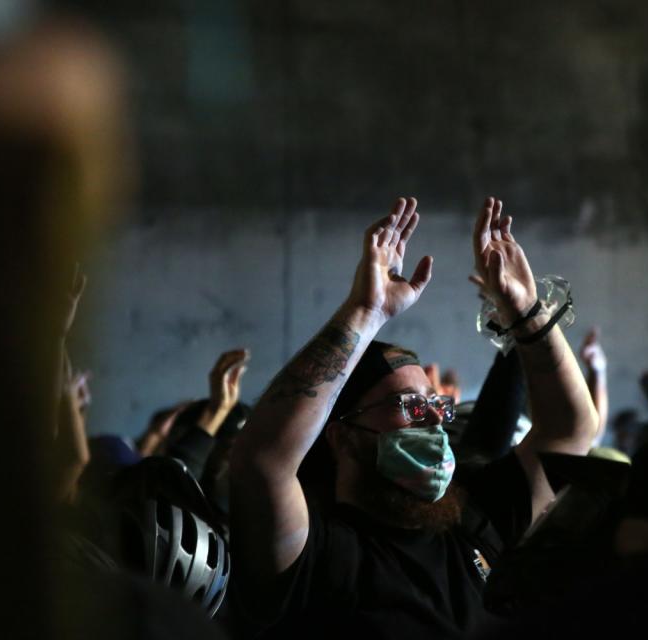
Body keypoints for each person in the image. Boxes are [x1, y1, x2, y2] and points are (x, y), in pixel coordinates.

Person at [229, 196, 599, 638]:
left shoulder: (476, 520)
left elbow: (571, 431)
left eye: (436, 405)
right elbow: (262, 462)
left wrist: (526, 313)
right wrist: (365, 315)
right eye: (410, 405)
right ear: (342, 436)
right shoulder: (320, 556)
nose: (435, 421)